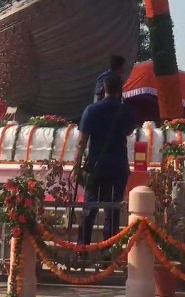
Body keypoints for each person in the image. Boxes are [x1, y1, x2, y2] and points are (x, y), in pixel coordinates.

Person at [72, 73, 137, 246]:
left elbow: (81, 142)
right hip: (117, 168)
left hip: (96, 168)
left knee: (89, 210)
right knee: (112, 211)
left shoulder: (91, 110)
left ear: (103, 89)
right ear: (120, 90)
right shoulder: (126, 111)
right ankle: (108, 252)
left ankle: (82, 249)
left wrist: (76, 166)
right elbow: (130, 131)